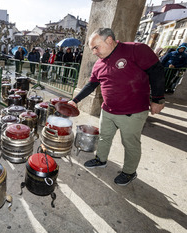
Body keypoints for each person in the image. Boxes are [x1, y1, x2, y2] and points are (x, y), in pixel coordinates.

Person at [69, 28, 165, 186]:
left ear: (109, 40)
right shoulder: (99, 64)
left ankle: (129, 172)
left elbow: (156, 70)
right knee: (104, 137)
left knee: (130, 143)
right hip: (107, 110)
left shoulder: (135, 49)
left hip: (132, 112)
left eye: (96, 47)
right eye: (92, 48)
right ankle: (101, 160)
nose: (94, 52)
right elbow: (91, 84)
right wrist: (75, 100)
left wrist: (158, 98)